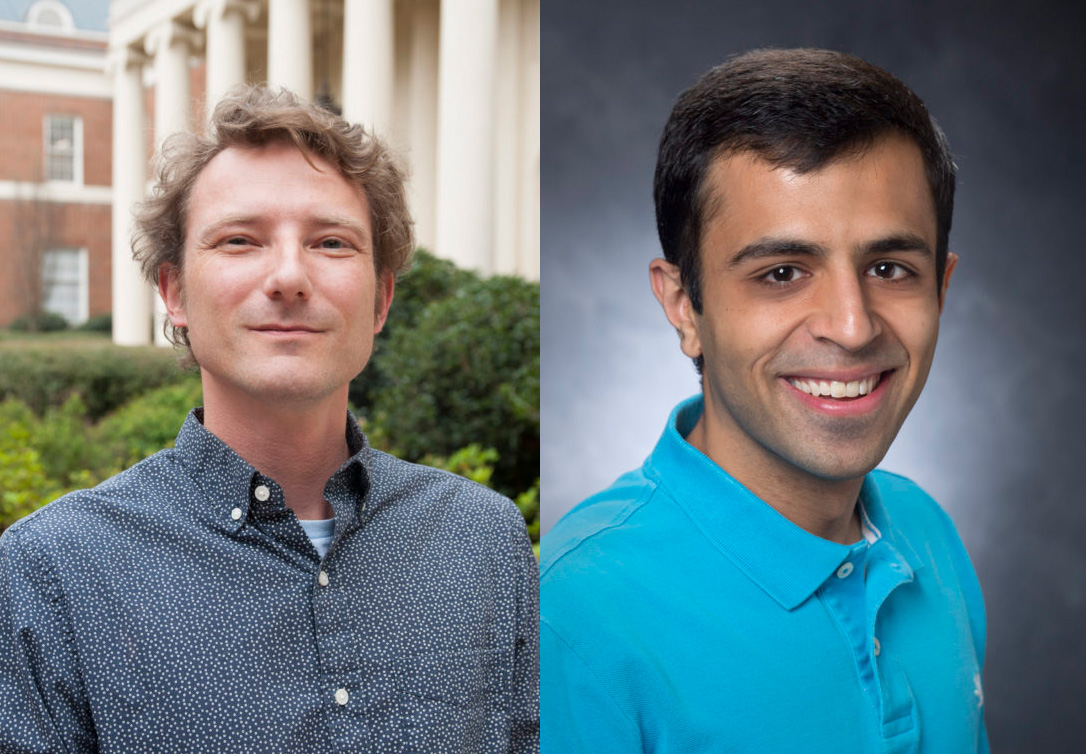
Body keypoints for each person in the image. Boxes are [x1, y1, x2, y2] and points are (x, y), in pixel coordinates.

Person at [0, 86, 538, 753]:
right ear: (174, 293)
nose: (288, 276)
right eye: (240, 240)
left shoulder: (483, 539)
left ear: (381, 300)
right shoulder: (54, 573)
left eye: (331, 242)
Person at [541, 48, 986, 752]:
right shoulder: (570, 617)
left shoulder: (928, 534)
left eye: (890, 268)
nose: (852, 325)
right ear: (684, 304)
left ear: (942, 288)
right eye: (782, 272)